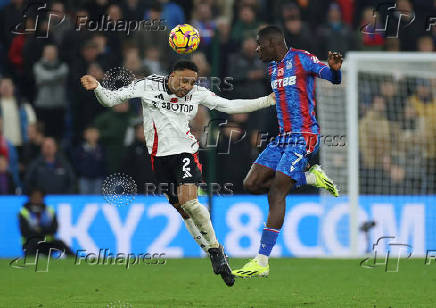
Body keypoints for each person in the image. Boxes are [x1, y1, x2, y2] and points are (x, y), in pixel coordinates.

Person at [80, 60, 275, 287]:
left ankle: (215, 250)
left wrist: (268, 100)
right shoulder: (147, 85)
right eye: (183, 80)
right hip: (159, 159)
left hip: (185, 152)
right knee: (182, 210)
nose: (187, 86)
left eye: (192, 82)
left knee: (190, 202)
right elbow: (110, 99)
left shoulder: (197, 93)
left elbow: (229, 106)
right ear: (172, 75)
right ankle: (212, 253)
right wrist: (98, 88)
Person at [232, 25, 343, 278]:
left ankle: (261, 261)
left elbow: (330, 75)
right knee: (252, 183)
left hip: (304, 136)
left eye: (260, 45)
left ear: (273, 43)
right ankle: (312, 177)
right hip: (282, 138)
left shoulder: (302, 58)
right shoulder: (271, 68)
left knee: (277, 190)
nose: (257, 49)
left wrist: (335, 71)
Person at [19, 187, 73, 256]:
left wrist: (38, 230)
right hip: (31, 243)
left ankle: (75, 259)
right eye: (35, 196)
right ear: (30, 197)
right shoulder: (24, 211)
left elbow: (54, 228)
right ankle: (30, 260)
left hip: (47, 242)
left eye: (39, 196)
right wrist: (44, 231)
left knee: (60, 243)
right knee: (32, 242)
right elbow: (25, 231)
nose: (37, 198)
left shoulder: (49, 210)